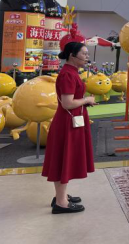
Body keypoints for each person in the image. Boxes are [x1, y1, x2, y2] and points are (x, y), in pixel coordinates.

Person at [42, 42, 97, 214]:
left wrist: (84, 102)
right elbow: (67, 103)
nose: (87, 57)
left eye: (87, 54)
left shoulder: (71, 72)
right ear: (72, 55)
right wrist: (86, 100)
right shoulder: (68, 74)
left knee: (64, 158)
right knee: (63, 159)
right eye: (84, 54)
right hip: (67, 122)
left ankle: (61, 196)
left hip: (70, 120)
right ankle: (61, 203)